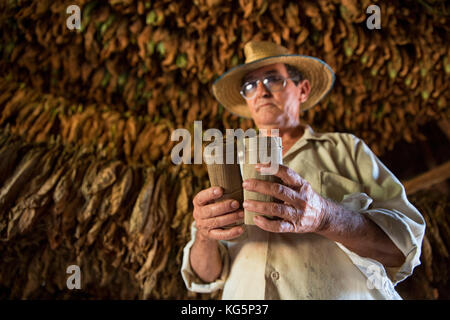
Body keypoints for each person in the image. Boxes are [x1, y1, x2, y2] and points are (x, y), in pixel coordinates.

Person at [180, 41, 425, 299]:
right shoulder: (229, 161)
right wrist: (205, 236)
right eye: (250, 86)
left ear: (303, 89)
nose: (260, 91)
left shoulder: (347, 149)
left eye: (273, 79)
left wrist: (325, 217)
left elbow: (405, 247)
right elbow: (206, 275)